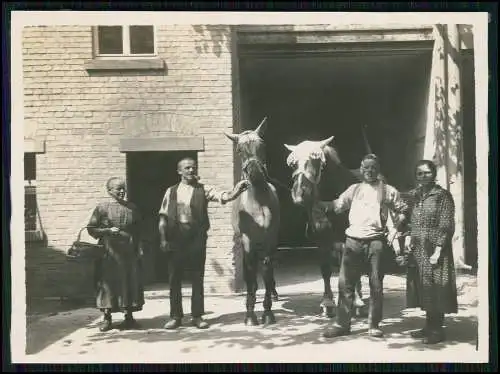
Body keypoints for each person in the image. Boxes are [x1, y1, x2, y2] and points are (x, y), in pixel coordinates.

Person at [322, 154, 408, 338]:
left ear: (378, 170)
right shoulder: (353, 190)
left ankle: (374, 324)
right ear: (361, 170)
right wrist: (315, 203)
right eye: (366, 168)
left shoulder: (388, 190)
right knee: (345, 284)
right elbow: (336, 206)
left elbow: (402, 209)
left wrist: (400, 220)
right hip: (352, 241)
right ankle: (341, 324)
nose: (369, 171)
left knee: (376, 284)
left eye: (373, 168)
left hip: (376, 242)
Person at [159, 157, 250, 330]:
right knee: (174, 279)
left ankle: (197, 316)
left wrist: (236, 191)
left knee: (197, 277)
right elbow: (163, 217)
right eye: (187, 168)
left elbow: (224, 196)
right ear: (179, 171)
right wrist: (163, 239)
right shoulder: (170, 191)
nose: (191, 171)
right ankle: (175, 317)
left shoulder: (204, 189)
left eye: (193, 168)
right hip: (175, 238)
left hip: (196, 238)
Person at [403, 159, 458, 344]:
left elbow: (447, 225)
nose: (423, 176)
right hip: (419, 250)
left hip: (435, 250)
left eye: (426, 172)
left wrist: (438, 250)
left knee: (436, 288)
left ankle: (437, 331)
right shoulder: (416, 195)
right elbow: (413, 221)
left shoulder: (443, 196)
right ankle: (429, 326)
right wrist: (411, 240)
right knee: (425, 288)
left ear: (434, 174)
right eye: (419, 173)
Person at [87, 177, 144, 332]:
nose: (121, 191)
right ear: (109, 191)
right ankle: (107, 318)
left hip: (128, 251)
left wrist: (139, 247)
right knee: (108, 284)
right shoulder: (102, 208)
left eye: (123, 188)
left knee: (129, 282)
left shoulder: (132, 207)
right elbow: (91, 229)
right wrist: (107, 230)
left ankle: (129, 317)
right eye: (118, 188)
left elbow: (139, 230)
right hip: (109, 252)